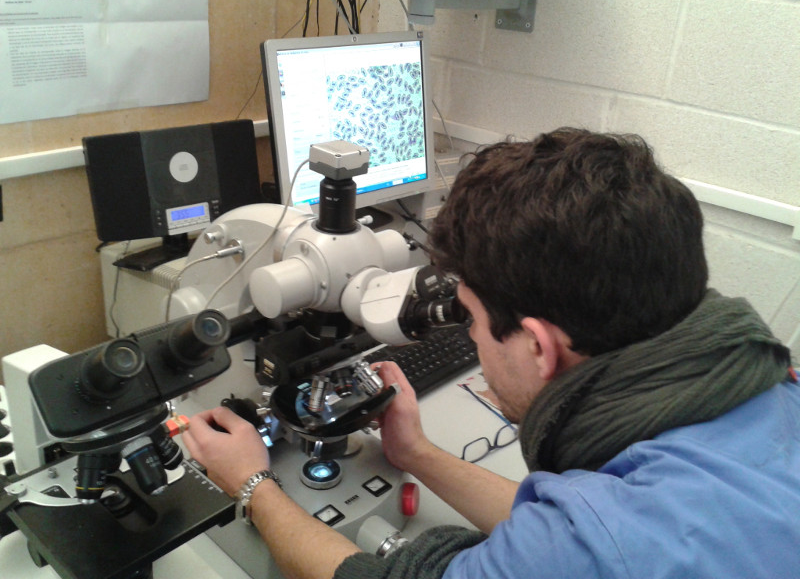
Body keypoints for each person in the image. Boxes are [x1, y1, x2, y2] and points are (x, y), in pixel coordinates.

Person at [183, 127, 800, 579]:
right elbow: (577, 521)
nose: (469, 338)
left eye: (471, 321)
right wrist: (415, 454)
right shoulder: (770, 392)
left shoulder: (598, 549)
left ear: (537, 345)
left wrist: (252, 482)